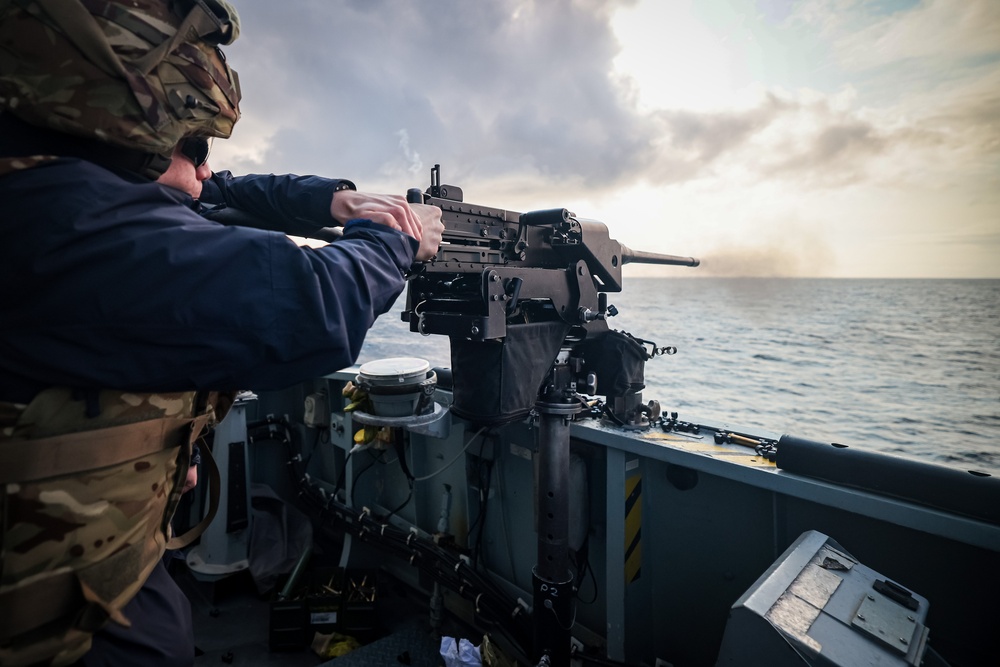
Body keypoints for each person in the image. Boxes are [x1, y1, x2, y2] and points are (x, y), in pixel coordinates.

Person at [0, 1, 443, 665]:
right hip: (63, 629)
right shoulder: (77, 231)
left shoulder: (42, 182)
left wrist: (334, 200)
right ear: (124, 124)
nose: (207, 170)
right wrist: (394, 238)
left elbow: (215, 191)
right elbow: (316, 304)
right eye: (194, 146)